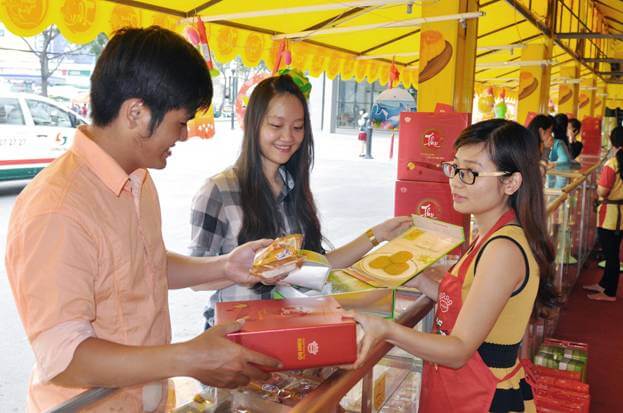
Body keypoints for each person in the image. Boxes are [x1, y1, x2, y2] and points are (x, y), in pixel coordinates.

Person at [5, 27, 281, 412]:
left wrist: (226, 267)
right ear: (136, 113)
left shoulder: (138, 179)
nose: (183, 136)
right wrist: (189, 357)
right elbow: (66, 359)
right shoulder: (57, 208)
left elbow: (145, 266)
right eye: (180, 122)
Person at [351, 119, 557, 413]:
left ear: (511, 182)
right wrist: (420, 279)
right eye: (455, 168)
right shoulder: (491, 233)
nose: (456, 181)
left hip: (483, 395)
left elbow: (459, 350)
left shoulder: (503, 249)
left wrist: (386, 330)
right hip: (465, 387)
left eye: (471, 172)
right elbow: (473, 303)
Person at [190, 74, 410, 328]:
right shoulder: (218, 191)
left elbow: (319, 265)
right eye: (276, 125)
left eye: (297, 127)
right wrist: (252, 271)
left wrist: (376, 235)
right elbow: (196, 279)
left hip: (287, 332)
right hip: (235, 335)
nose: (288, 137)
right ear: (253, 124)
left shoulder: (293, 188)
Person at [583, 126, 623, 302]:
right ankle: (604, 284)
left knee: (611, 254)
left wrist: (598, 189)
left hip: (610, 216)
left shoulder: (612, 163)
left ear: (612, 141)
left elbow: (603, 190)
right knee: (612, 252)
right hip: (620, 216)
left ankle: (610, 292)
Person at [548, 114, 576, 188]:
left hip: (554, 181)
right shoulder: (560, 142)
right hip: (559, 180)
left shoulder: (558, 142)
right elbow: (568, 159)